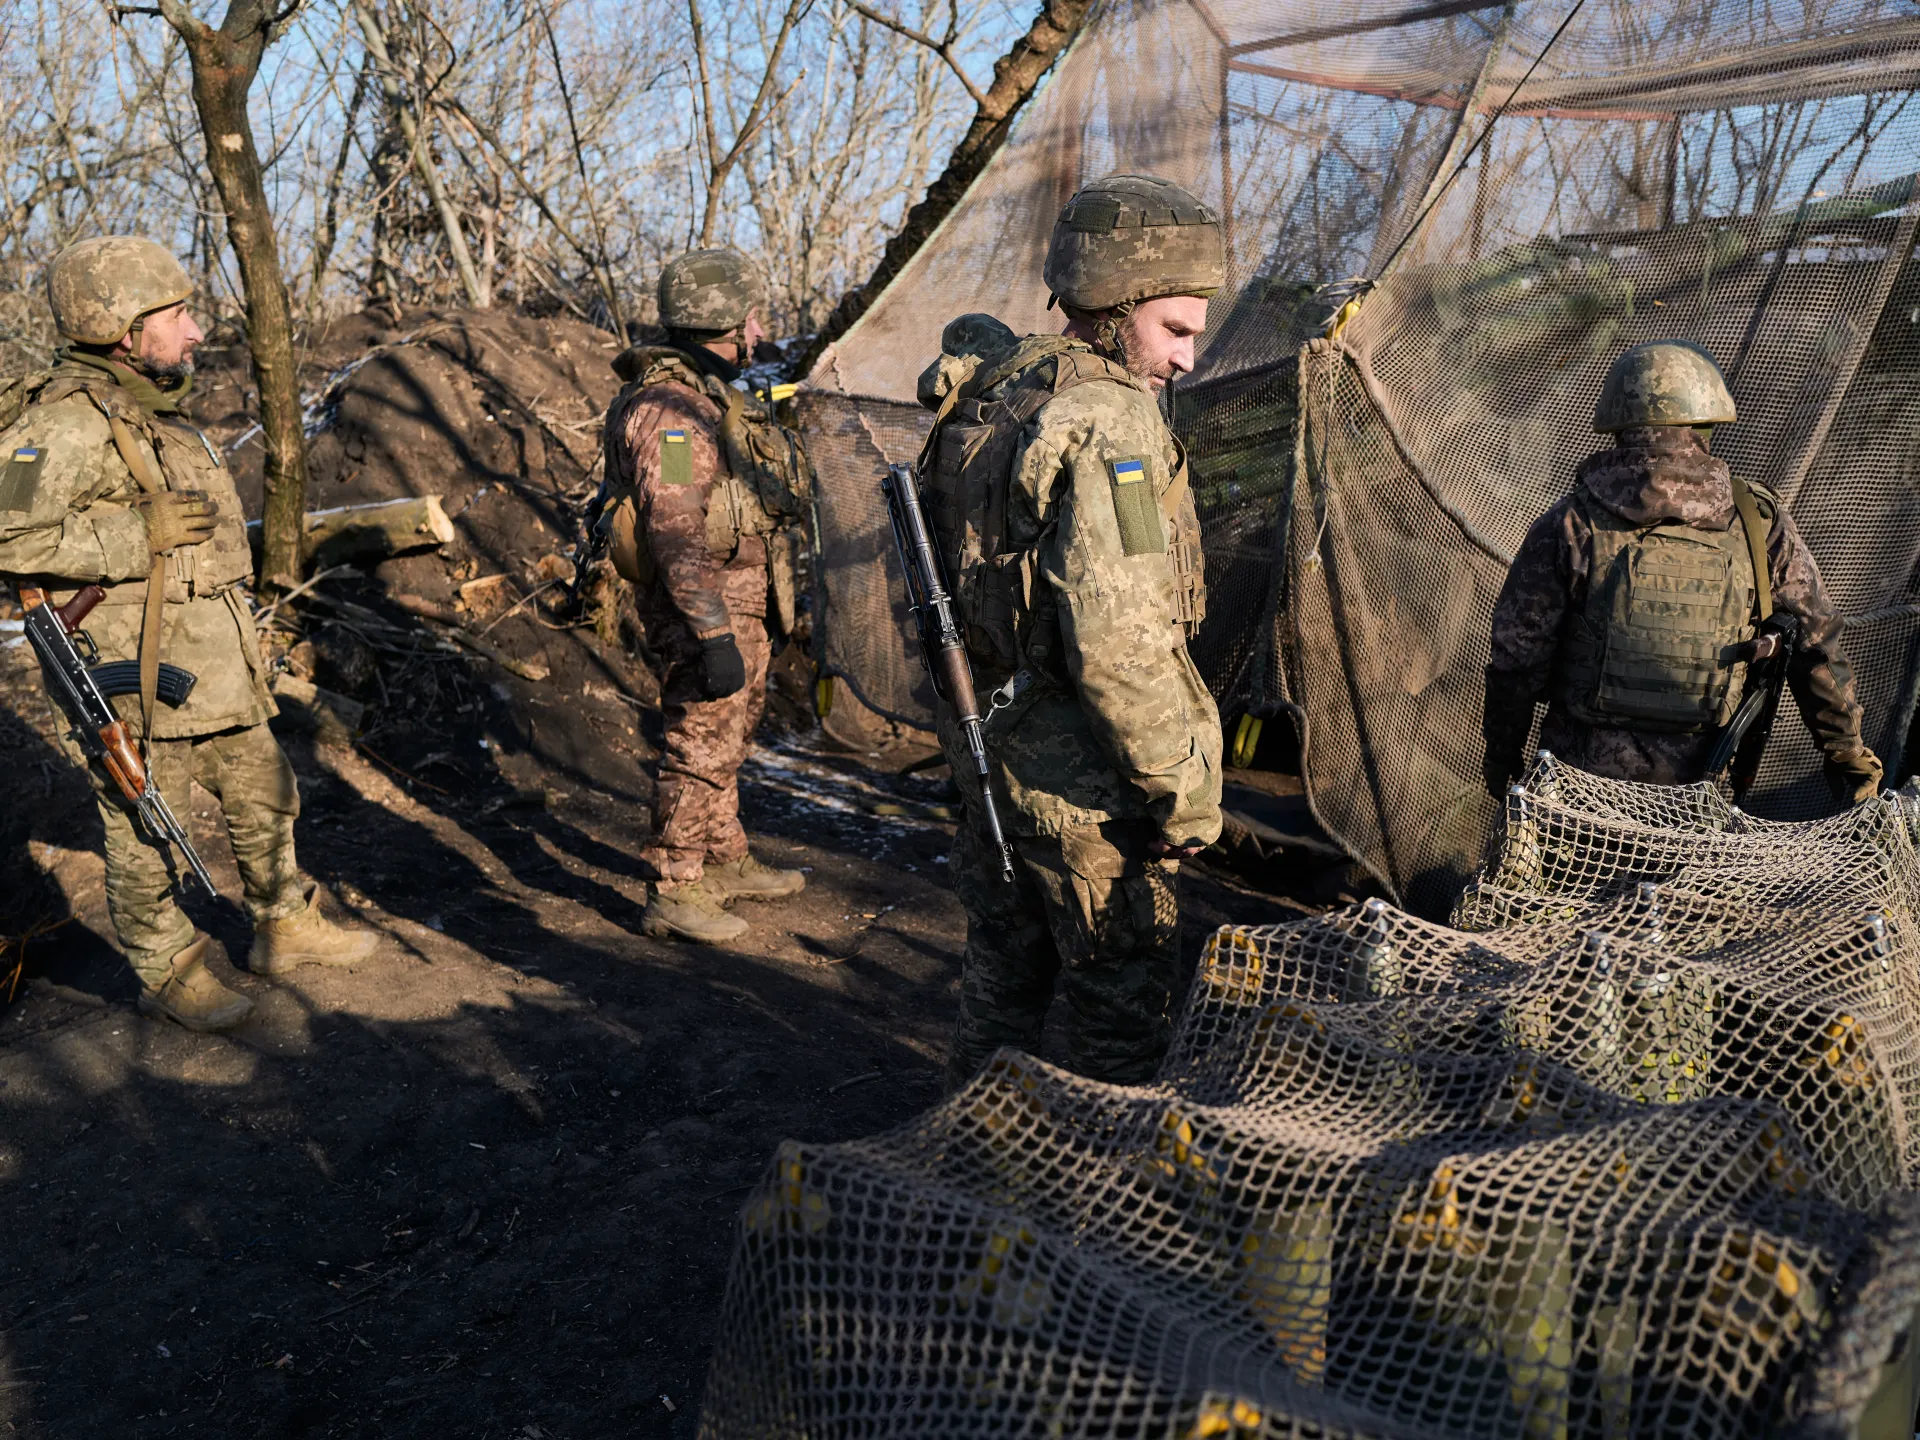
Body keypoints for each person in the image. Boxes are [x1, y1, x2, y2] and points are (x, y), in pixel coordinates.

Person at [0, 236, 377, 1032]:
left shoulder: (148, 408)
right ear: (121, 327)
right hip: (137, 677)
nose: (197, 330)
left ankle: (285, 925)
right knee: (142, 831)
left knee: (266, 794)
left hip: (215, 662)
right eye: (176, 314)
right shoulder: (58, 424)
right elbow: (4, 532)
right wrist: (135, 537)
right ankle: (169, 969)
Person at [915, 173, 1225, 1088]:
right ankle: (1103, 1209)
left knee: (999, 995)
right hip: (1087, 787)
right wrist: (1182, 795)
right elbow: (1120, 645)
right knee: (1118, 1035)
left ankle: (967, 1166)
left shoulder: (1005, 390)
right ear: (1116, 305)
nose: (1188, 360)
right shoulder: (1109, 423)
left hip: (991, 753)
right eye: (1175, 329)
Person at [1483, 339, 1881, 803]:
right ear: (1705, 420)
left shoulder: (1570, 522)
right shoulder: (1756, 520)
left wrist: (1502, 757)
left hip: (1579, 791)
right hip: (1700, 792)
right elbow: (1816, 643)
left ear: (1618, 421)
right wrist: (1847, 753)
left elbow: (1517, 658)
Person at [600, 247, 813, 944]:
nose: (759, 331)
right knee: (699, 745)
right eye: (751, 317)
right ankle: (676, 886)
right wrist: (713, 633)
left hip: (736, 601)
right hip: (706, 608)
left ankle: (721, 856)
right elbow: (675, 523)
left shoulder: (705, 395)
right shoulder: (673, 414)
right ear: (730, 321)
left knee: (728, 736)